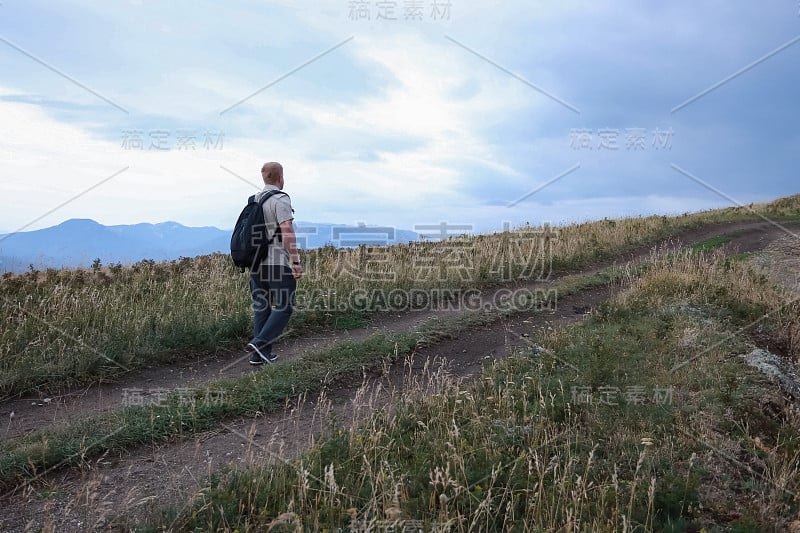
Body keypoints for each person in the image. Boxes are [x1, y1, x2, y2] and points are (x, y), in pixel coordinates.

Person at [246, 162, 303, 365]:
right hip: (276, 263)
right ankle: (260, 343)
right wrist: (295, 261)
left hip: (255, 263)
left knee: (262, 308)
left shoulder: (254, 200)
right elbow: (286, 229)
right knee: (285, 305)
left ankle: (258, 355)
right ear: (280, 177)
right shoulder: (280, 199)